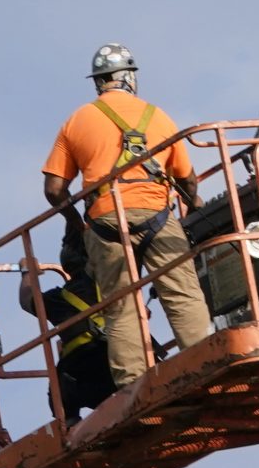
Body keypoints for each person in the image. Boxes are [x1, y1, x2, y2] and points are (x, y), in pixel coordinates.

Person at [40, 44, 210, 389]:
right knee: (182, 294)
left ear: (98, 82)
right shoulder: (158, 116)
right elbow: (187, 178)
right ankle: (203, 364)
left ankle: (132, 384)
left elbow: (54, 189)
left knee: (121, 305)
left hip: (104, 223)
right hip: (158, 216)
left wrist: (78, 223)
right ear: (130, 77)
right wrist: (194, 203)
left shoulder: (77, 120)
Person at [16, 220, 113, 421]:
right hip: (121, 370)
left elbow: (28, 300)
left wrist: (28, 272)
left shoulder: (58, 298)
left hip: (82, 379)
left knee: (61, 377)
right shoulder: (113, 280)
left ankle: (68, 422)